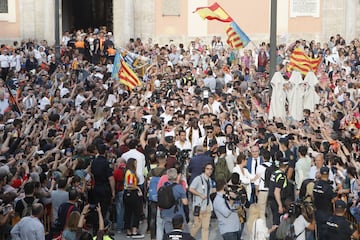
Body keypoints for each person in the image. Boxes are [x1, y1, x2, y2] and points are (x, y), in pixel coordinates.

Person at [90, 142, 115, 225]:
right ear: (105, 152)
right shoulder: (106, 163)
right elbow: (110, 178)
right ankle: (102, 225)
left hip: (96, 187)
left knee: (97, 207)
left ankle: (96, 225)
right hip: (105, 188)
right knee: (104, 208)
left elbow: (92, 174)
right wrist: (113, 191)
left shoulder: (94, 162)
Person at [159, 168, 188, 234]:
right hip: (178, 214)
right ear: (176, 176)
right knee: (183, 234)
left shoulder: (163, 186)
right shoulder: (179, 187)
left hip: (165, 213)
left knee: (169, 234)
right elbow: (185, 202)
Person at [189, 162, 213, 240]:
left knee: (205, 228)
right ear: (204, 169)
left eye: (211, 169)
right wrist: (200, 194)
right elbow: (191, 189)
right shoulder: (198, 179)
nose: (209, 171)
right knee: (197, 225)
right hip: (199, 206)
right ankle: (190, 238)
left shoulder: (210, 180)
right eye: (207, 169)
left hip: (208, 205)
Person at [312, 166, 337, 240]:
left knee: (319, 234)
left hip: (318, 212)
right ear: (328, 174)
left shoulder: (316, 185)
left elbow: (313, 197)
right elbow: (334, 200)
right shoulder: (329, 187)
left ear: (320, 174)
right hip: (327, 213)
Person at [123, 158, 144, 239]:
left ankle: (129, 230)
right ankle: (134, 231)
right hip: (132, 193)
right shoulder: (130, 173)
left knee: (128, 212)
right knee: (136, 212)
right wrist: (138, 188)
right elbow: (130, 184)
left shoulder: (127, 172)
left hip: (128, 194)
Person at [267, 157, 288, 240]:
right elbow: (277, 191)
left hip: (272, 200)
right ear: (286, 166)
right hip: (277, 201)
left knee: (275, 222)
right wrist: (280, 205)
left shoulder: (275, 173)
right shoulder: (281, 176)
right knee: (277, 224)